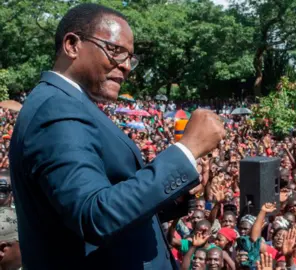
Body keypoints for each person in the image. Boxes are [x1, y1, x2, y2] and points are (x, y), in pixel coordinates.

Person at [9, 3, 224, 270]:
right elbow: (94, 215)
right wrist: (185, 151)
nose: (126, 66)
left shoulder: (71, 104)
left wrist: (173, 196)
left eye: (130, 58)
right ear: (72, 45)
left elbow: (107, 200)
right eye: (115, 51)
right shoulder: (56, 108)